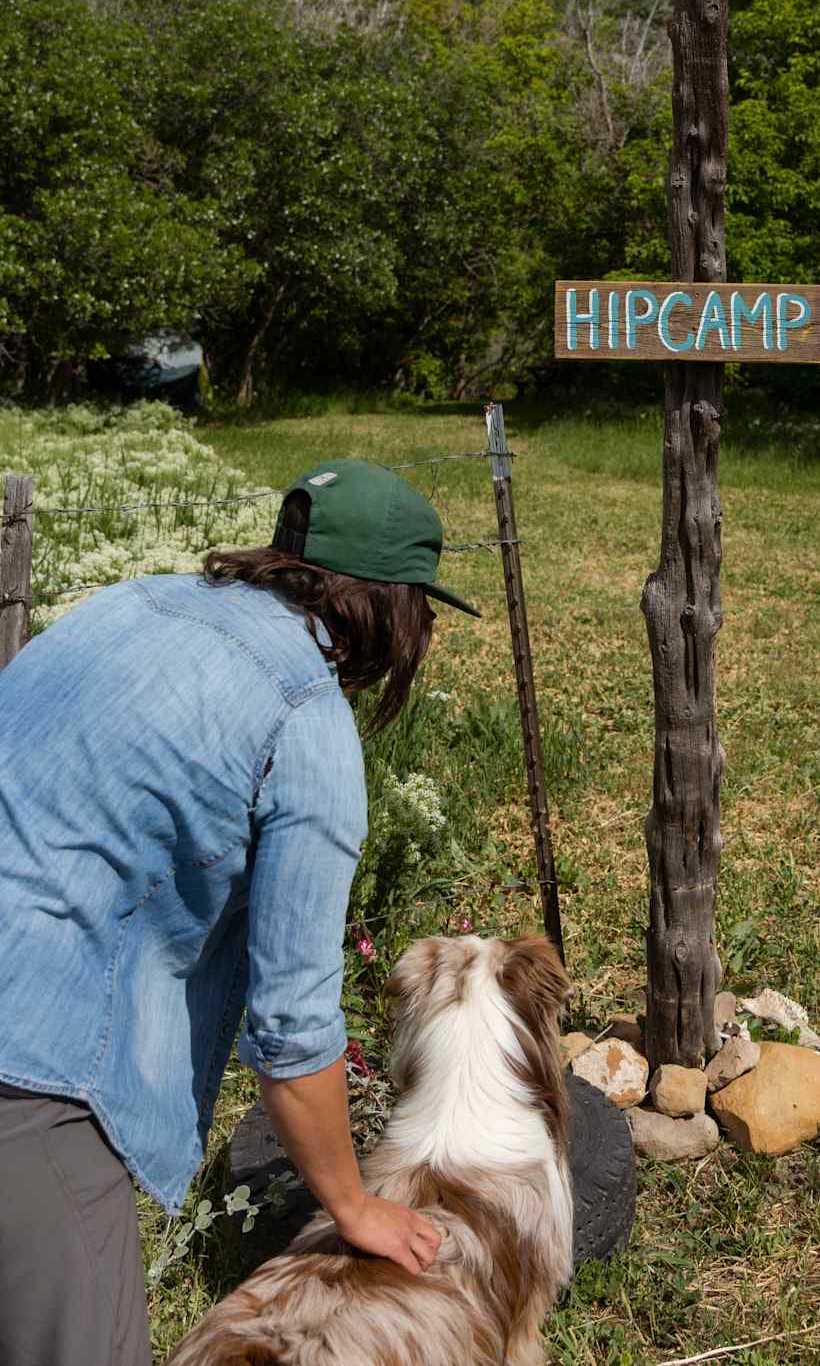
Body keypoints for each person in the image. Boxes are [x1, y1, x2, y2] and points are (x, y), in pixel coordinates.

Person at [0, 457, 482, 1366]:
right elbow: (295, 1030)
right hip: (28, 1066)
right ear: (391, 606)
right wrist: (354, 1205)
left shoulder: (133, 600)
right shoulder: (302, 722)